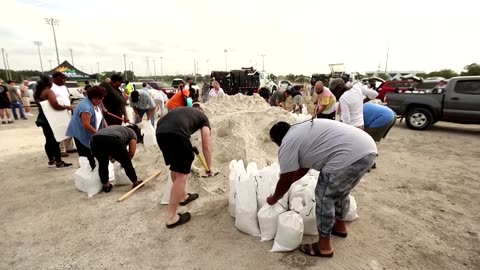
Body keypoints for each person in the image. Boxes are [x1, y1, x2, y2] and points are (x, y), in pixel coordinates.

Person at [267, 119, 377, 258]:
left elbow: (285, 179)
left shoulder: (287, 143)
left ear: (277, 140)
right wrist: (290, 183)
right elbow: (303, 167)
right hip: (367, 150)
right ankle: (339, 227)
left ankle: (324, 247)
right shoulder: (300, 130)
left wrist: (274, 198)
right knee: (341, 192)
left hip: (348, 154)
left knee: (324, 196)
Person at [156, 103, 212, 228]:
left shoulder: (183, 110)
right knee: (182, 175)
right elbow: (206, 145)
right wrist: (209, 167)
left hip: (160, 132)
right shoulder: (203, 118)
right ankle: (171, 218)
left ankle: (182, 197)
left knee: (175, 166)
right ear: (202, 111)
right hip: (177, 134)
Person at [34, 76, 73, 169]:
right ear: (49, 83)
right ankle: (59, 163)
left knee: (48, 140)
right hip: (50, 119)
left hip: (42, 118)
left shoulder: (38, 92)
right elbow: (55, 105)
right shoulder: (48, 92)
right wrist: (67, 107)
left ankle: (51, 161)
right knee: (55, 140)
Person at [91, 125, 144, 193]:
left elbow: (109, 148)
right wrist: (123, 162)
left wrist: (115, 158)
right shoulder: (132, 133)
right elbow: (131, 153)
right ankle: (136, 182)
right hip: (112, 139)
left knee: (102, 163)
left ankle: (106, 185)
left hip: (94, 140)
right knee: (126, 162)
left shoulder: (119, 129)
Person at [66, 86, 107, 170]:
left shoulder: (96, 103)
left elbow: (102, 118)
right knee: (87, 156)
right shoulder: (85, 107)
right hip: (81, 134)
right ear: (94, 97)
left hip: (91, 132)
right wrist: (99, 134)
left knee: (94, 154)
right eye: (101, 98)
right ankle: (88, 175)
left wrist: (108, 130)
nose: (102, 100)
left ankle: (95, 172)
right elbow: (86, 125)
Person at [363, 102, 397, 169]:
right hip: (392, 115)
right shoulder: (363, 105)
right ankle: (371, 162)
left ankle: (369, 164)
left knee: (368, 142)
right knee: (372, 141)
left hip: (383, 118)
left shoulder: (355, 112)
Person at [51, 72, 77, 156]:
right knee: (59, 129)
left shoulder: (64, 87)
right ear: (56, 78)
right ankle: (61, 150)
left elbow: (67, 97)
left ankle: (69, 147)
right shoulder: (51, 87)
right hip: (57, 112)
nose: (64, 80)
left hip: (67, 110)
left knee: (69, 128)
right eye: (63, 78)